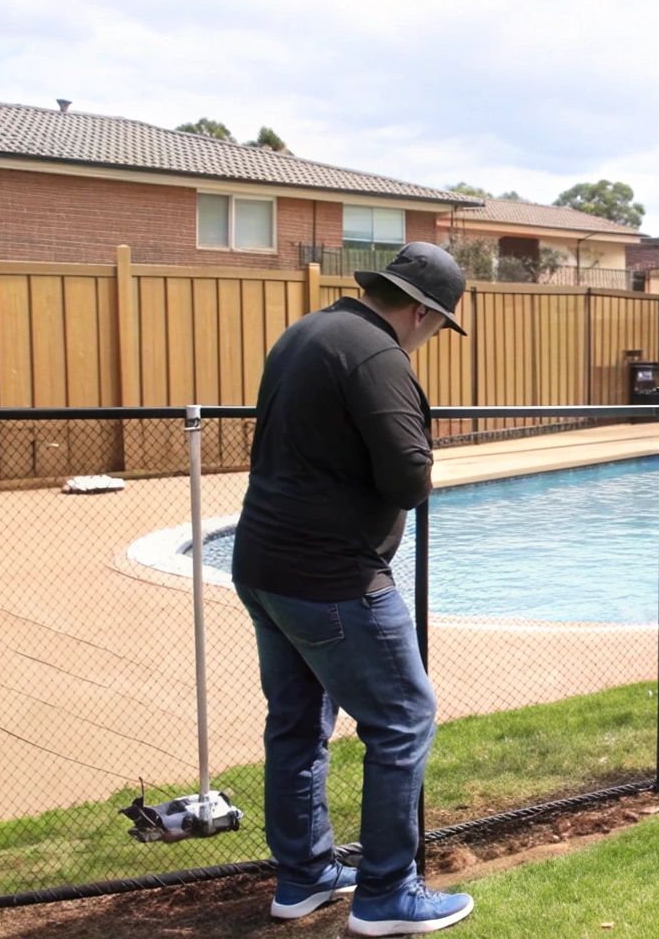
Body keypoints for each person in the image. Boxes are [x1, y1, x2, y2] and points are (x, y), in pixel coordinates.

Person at [231, 242, 474, 935]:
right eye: (437, 327)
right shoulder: (378, 356)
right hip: (333, 576)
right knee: (403, 719)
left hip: (263, 565)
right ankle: (387, 894)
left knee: (298, 721)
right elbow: (407, 479)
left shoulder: (305, 333)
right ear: (425, 313)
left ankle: (303, 877)